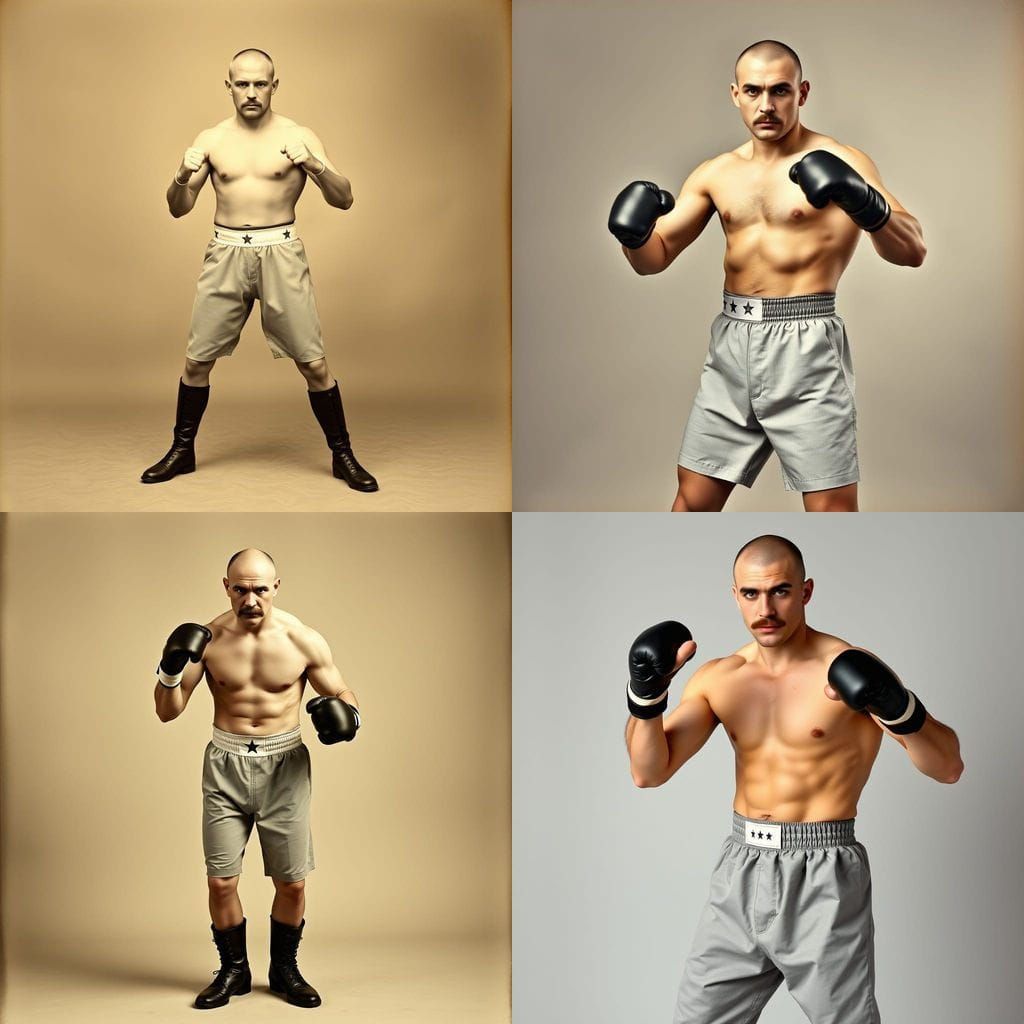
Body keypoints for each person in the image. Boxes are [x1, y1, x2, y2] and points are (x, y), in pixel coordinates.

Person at [624, 535, 963, 1022]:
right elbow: (647, 771)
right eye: (750, 594)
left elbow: (947, 766)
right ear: (735, 595)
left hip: (822, 870)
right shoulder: (721, 676)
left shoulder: (845, 668)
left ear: (805, 591)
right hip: (740, 869)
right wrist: (645, 696)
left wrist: (900, 707)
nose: (766, 608)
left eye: (780, 591)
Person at [607, 40, 927, 511]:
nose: (767, 105)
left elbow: (913, 249)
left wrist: (859, 197)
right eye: (753, 91)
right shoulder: (716, 173)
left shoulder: (842, 160)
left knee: (831, 510)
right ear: (735, 94)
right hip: (731, 345)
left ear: (802, 92)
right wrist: (633, 237)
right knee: (692, 500)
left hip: (807, 347)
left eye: (780, 90)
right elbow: (656, 257)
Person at [142, 48, 377, 491]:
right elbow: (179, 209)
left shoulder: (300, 135)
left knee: (314, 365)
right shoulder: (211, 139)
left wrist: (314, 163)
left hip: (281, 252)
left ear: (274, 85)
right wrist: (179, 174)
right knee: (196, 362)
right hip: (225, 253)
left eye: (260, 83)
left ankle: (343, 455)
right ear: (228, 86)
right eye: (242, 84)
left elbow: (344, 198)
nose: (252, 92)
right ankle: (182, 450)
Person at [154, 548, 362, 1009]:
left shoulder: (303, 639)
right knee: (220, 882)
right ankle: (234, 972)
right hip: (224, 766)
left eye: (261, 589)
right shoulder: (207, 639)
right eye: (241, 589)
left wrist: (349, 716)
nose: (250, 600)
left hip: (285, 768)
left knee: (292, 883)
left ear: (276, 588)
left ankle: (285, 971)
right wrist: (169, 670)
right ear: (225, 586)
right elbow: (167, 713)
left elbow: (342, 690)